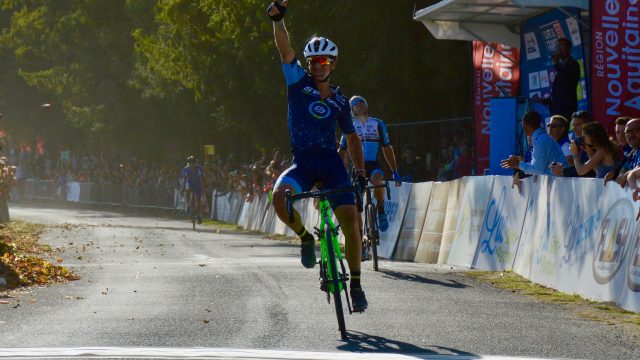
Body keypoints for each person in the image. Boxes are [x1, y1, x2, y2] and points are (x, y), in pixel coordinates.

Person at [267, 0, 369, 312]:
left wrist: (361, 173)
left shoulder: (340, 100)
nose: (318, 64)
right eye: (314, 60)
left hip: (331, 164)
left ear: (333, 64)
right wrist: (278, 21)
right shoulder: (298, 84)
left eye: (325, 60)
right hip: (303, 163)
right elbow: (285, 51)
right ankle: (305, 238)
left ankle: (356, 283)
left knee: (351, 221)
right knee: (279, 198)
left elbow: (351, 137)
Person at [337, 95, 401, 233]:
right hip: (356, 167)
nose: (359, 105)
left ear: (366, 106)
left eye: (361, 103)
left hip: (372, 164)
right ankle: (360, 237)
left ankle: (381, 211)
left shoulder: (378, 124)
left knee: (378, 179)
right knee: (355, 203)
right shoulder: (349, 127)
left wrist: (395, 171)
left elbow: (387, 148)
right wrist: (335, 170)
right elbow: (341, 150)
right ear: (351, 110)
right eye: (355, 104)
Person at [500, 111, 567, 175]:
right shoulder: (541, 138)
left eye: (522, 124)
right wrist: (520, 163)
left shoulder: (542, 140)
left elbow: (537, 170)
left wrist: (518, 164)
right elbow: (537, 168)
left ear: (525, 125)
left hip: (561, 183)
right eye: (548, 125)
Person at [536, 38, 581, 121]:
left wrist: (556, 65)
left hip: (565, 109)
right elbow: (559, 91)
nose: (558, 49)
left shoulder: (573, 64)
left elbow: (566, 83)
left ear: (568, 49)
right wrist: (544, 101)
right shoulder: (561, 66)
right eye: (557, 47)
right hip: (556, 109)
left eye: (561, 46)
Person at [181, 156, 204, 224]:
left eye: (193, 163)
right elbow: (184, 178)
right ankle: (188, 204)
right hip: (189, 183)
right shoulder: (185, 169)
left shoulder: (199, 168)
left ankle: (199, 215)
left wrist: (202, 186)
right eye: (190, 163)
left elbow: (202, 177)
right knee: (187, 190)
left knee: (198, 200)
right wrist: (183, 186)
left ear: (195, 163)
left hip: (197, 183)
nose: (191, 164)